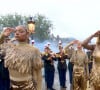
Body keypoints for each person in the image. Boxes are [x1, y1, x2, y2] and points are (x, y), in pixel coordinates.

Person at [0, 25, 43, 90]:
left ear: (27, 34)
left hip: (27, 87)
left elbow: (38, 73)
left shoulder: (34, 50)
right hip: (12, 86)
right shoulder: (10, 47)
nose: (17, 33)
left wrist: (39, 88)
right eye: (16, 31)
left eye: (21, 31)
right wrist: (3, 35)